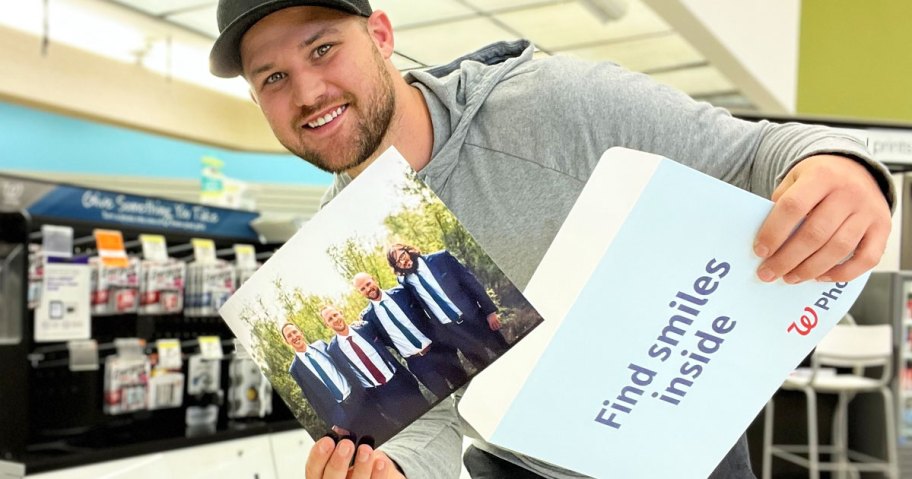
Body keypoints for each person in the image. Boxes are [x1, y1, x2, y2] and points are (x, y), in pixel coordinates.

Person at [209, 1, 895, 478]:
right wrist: (389, 468)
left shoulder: (549, 104)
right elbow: (431, 420)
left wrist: (842, 171)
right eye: (273, 78)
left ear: (382, 35)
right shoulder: (335, 253)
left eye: (323, 47)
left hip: (676, 448)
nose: (307, 90)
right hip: (517, 468)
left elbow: (761, 153)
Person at [321, 304, 429, 442]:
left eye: (335, 315)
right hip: (380, 394)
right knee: (411, 428)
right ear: (327, 324)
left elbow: (389, 336)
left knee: (427, 411)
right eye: (330, 319)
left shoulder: (365, 327)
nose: (335, 319)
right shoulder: (333, 350)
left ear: (341, 313)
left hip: (399, 380)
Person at [353, 272, 469, 399]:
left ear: (374, 279)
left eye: (368, 284)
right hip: (418, 364)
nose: (368, 289)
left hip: (438, 350)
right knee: (445, 399)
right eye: (362, 289)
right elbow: (374, 340)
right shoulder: (368, 318)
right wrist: (356, 327)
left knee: (467, 386)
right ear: (360, 293)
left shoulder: (402, 293)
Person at [386, 245, 509, 362]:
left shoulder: (441, 259)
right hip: (455, 331)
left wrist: (489, 312)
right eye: (398, 262)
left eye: (402, 256)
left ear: (408, 250)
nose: (402, 262)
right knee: (481, 365)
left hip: (475, 317)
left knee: (505, 352)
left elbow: (471, 283)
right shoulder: (406, 281)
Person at [281, 322, 373, 437]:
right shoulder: (295, 369)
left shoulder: (321, 345)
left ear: (301, 332)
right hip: (340, 413)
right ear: (286, 342)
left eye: (294, 332)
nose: (294, 337)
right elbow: (312, 398)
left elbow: (344, 366)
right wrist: (332, 425)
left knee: (384, 427)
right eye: (289, 336)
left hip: (358, 397)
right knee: (366, 443)